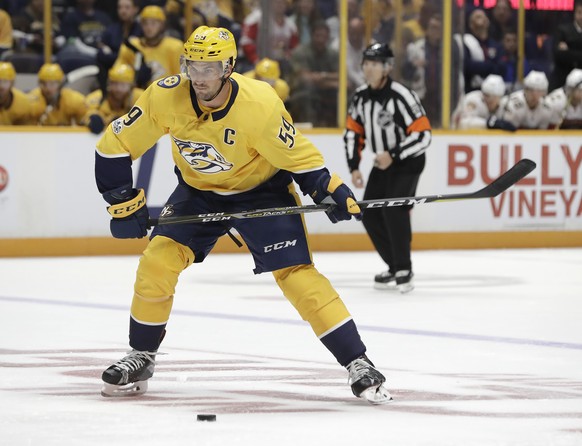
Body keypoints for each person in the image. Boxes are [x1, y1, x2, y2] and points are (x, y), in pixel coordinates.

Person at [95, 26, 391, 405]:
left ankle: (358, 362)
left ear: (229, 67)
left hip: (261, 193)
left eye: (209, 68)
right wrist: (122, 200)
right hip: (198, 193)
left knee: (297, 276)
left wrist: (328, 188)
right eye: (192, 66)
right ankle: (142, 355)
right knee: (157, 260)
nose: (198, 78)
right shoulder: (165, 95)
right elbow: (114, 145)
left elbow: (298, 157)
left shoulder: (260, 104)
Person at [343, 43, 431, 293]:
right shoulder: (360, 97)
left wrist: (394, 154)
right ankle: (394, 265)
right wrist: (354, 167)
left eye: (375, 64)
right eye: (366, 63)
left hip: (408, 161)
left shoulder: (402, 95)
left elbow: (424, 135)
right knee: (368, 213)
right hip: (383, 163)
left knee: (394, 209)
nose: (368, 69)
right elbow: (352, 132)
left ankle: (404, 267)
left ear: (387, 67)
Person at [114, 5, 183, 88]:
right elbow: (117, 73)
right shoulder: (131, 46)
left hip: (166, 94)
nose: (149, 27)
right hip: (139, 94)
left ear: (162, 25)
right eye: (145, 23)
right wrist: (134, 78)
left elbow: (182, 78)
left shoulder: (175, 47)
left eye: (154, 23)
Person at [85, 63, 143, 134]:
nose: (118, 88)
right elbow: (86, 113)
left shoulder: (140, 96)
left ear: (131, 85)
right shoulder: (97, 97)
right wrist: (94, 118)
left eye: (123, 84)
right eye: (115, 83)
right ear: (109, 83)